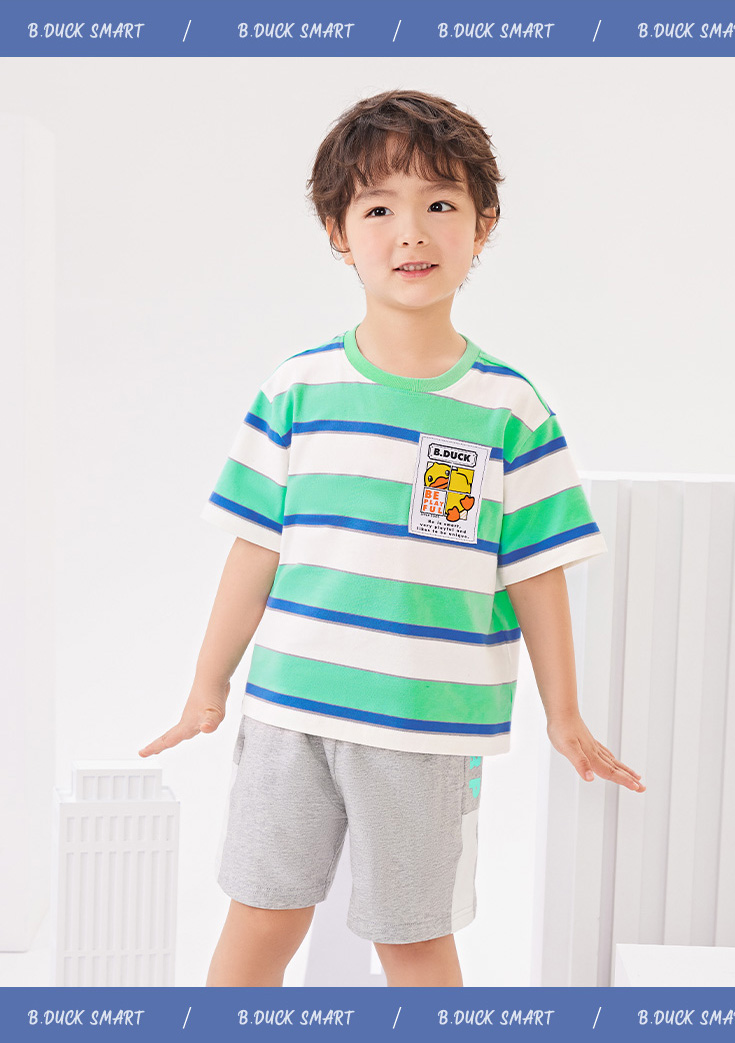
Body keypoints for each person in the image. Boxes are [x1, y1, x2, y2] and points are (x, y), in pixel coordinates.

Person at [139, 89, 645, 988]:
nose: (411, 231)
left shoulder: (510, 410)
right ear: (340, 233)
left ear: (483, 226)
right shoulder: (296, 390)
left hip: (425, 728)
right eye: (378, 209)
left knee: (412, 939)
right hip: (290, 712)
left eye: (440, 203)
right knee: (260, 919)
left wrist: (563, 712)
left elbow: (535, 574)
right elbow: (254, 550)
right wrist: (207, 686)